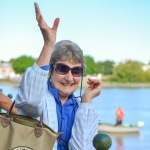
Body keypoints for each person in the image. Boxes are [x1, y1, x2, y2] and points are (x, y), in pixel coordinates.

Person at [1, 2, 102, 150]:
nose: (69, 77)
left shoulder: (81, 108)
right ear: (50, 71)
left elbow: (83, 148)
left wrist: (87, 101)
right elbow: (29, 103)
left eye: (76, 71)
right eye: (62, 68)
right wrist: (48, 44)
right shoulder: (40, 98)